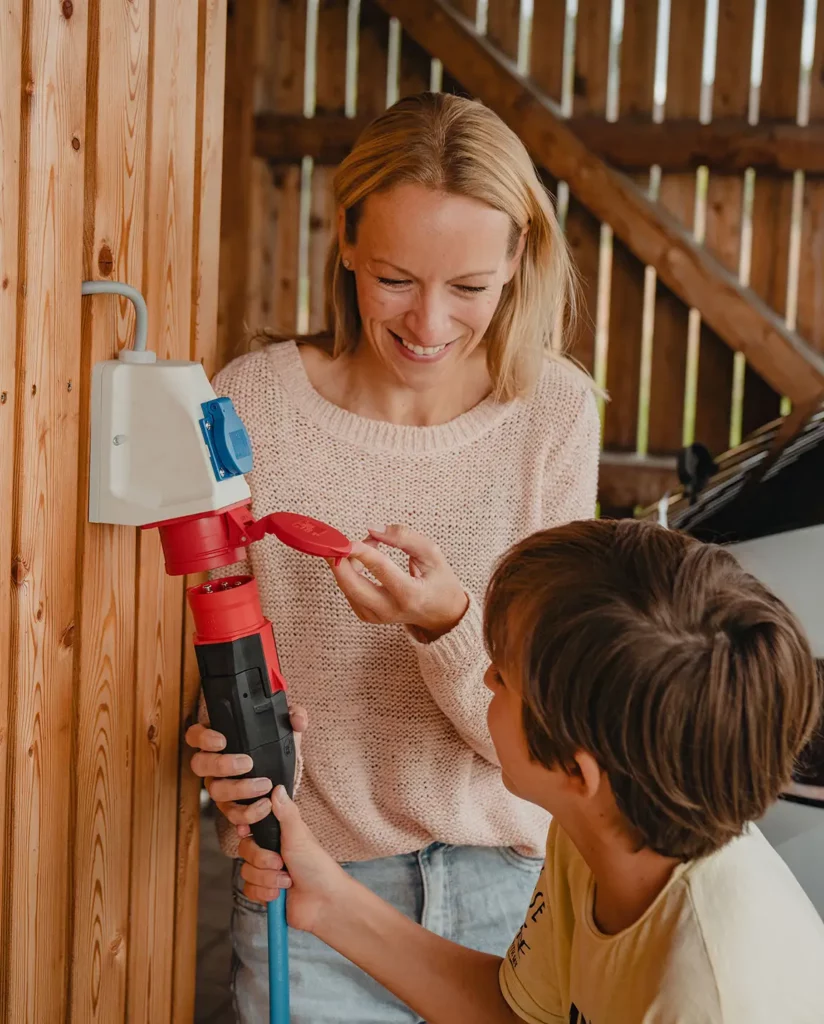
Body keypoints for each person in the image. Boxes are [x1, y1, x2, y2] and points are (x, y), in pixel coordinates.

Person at [185, 91, 600, 1022]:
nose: (429, 322)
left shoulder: (554, 415)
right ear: (345, 241)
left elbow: (549, 733)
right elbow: (198, 657)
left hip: (513, 897)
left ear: (518, 261)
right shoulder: (251, 406)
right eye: (396, 278)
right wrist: (217, 749)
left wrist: (444, 625)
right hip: (310, 892)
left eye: (470, 287)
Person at [240, 518, 824, 1023]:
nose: (486, 677)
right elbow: (520, 1014)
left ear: (576, 770)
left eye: (504, 676)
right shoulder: (602, 829)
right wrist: (331, 901)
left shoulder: (706, 999)